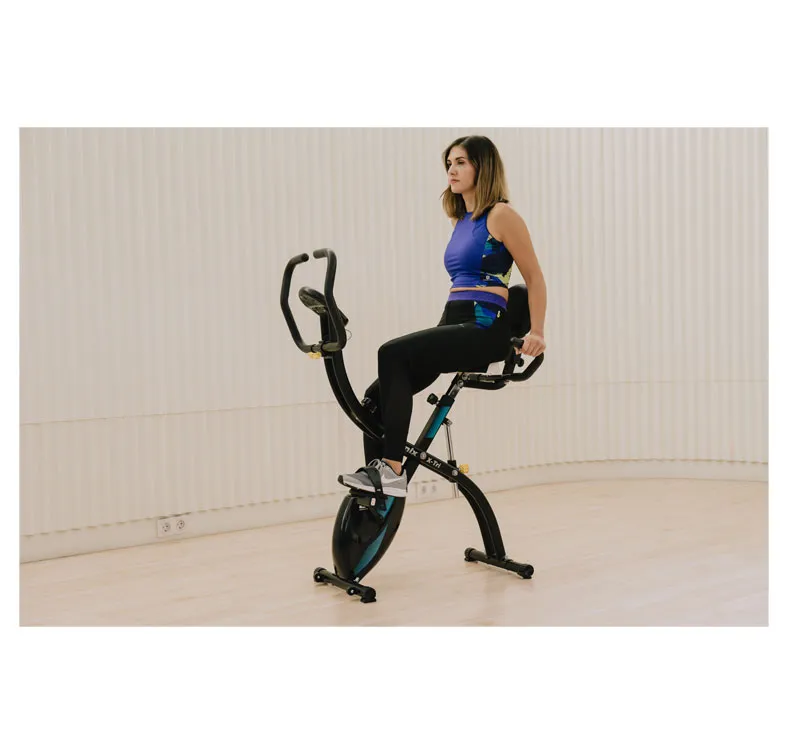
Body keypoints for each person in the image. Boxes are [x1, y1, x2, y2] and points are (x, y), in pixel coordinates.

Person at [340, 135, 547, 496]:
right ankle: (378, 482)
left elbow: (534, 277)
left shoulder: (501, 215)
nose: (452, 170)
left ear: (483, 167)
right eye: (449, 163)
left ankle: (391, 470)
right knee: (374, 398)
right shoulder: (460, 220)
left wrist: (538, 332)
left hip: (483, 326)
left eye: (461, 162)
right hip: (453, 320)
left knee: (391, 353)